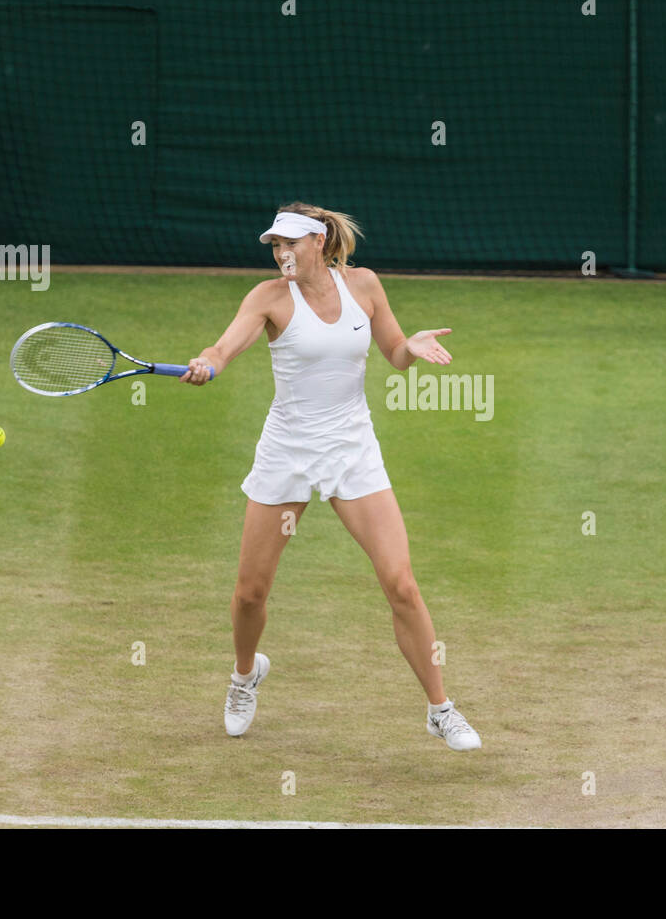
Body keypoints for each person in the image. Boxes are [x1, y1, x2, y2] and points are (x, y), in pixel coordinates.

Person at [179, 203, 482, 751]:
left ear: (319, 241)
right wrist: (210, 363)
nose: (281, 253)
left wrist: (409, 348)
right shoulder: (268, 298)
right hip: (287, 451)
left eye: (291, 244)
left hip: (351, 449)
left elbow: (391, 351)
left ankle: (440, 708)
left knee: (401, 583)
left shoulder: (364, 285)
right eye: (275, 245)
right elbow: (225, 347)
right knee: (250, 593)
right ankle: (245, 676)